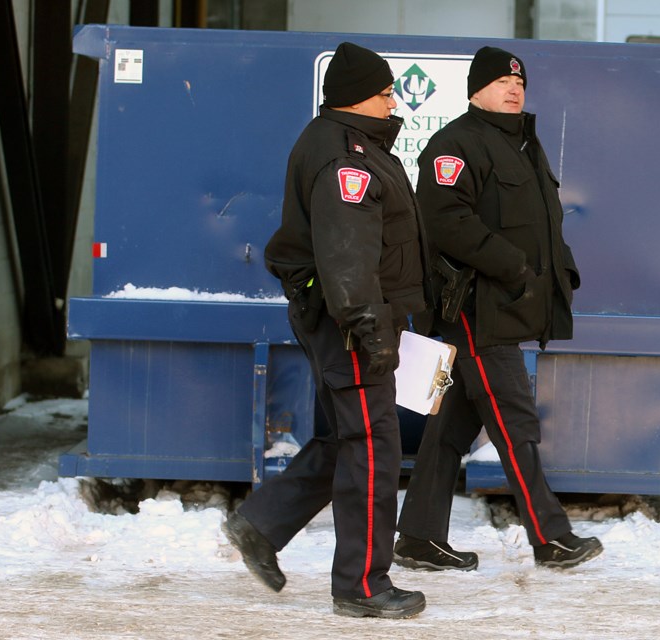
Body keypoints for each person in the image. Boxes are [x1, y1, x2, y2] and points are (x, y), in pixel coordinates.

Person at [222, 42, 433, 619]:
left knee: (346, 437)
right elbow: (347, 252)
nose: (395, 99)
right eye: (386, 91)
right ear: (358, 96)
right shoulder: (346, 156)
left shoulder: (350, 144)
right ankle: (362, 586)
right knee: (373, 446)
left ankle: (261, 526)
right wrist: (369, 325)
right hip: (353, 320)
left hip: (344, 315)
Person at [394, 46, 603, 571]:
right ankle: (550, 536)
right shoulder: (454, 144)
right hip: (475, 308)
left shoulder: (524, 146)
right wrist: (513, 266)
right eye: (502, 82)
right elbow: (445, 221)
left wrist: (562, 270)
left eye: (520, 84)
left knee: (450, 428)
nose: (514, 90)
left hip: (507, 305)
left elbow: (543, 223)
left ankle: (418, 537)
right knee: (514, 419)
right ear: (475, 90)